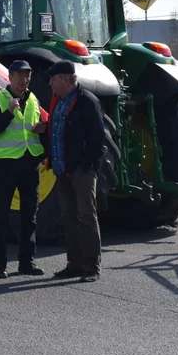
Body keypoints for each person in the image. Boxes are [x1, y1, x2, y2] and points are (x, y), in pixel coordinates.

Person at [0, 60, 47, 279]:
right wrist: (9, 113)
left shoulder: (34, 99)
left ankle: (27, 262)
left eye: (27, 76)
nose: (24, 80)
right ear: (9, 77)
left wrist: (41, 129)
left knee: (30, 216)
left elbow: (33, 128)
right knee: (0, 216)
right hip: (5, 164)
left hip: (30, 163)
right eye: (19, 75)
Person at [46, 61, 106, 283]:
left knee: (86, 217)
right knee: (69, 217)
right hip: (62, 171)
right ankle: (74, 264)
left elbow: (97, 139)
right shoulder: (58, 101)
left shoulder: (87, 102)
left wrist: (85, 167)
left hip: (80, 172)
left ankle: (92, 267)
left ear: (64, 79)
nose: (50, 83)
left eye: (52, 79)